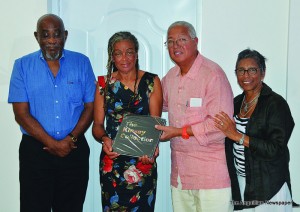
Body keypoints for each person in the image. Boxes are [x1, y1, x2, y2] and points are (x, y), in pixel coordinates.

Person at [8, 14, 96, 212]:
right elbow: (21, 114)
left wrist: (70, 139)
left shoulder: (82, 63)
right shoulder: (22, 66)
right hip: (36, 153)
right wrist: (53, 144)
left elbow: (91, 107)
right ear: (36, 36)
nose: (52, 41)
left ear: (65, 35)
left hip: (74, 150)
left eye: (56, 34)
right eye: (45, 35)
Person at [155, 21, 234, 212]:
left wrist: (178, 132)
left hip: (211, 177)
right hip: (180, 175)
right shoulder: (171, 77)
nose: (176, 46)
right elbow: (156, 103)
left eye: (182, 39)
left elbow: (220, 127)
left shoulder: (212, 74)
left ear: (195, 41)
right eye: (171, 42)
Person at [214, 49, 294, 211]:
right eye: (241, 70)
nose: (246, 75)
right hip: (243, 183)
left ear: (262, 73)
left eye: (252, 70)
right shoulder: (235, 103)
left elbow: (276, 149)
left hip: (269, 187)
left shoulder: (276, 104)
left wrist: (238, 136)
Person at [92, 31, 163, 211]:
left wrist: (153, 148)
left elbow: (157, 125)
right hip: (112, 160)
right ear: (112, 57)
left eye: (129, 52)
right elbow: (98, 126)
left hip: (142, 160)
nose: (125, 58)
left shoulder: (151, 81)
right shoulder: (103, 84)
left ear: (136, 54)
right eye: (118, 53)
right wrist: (104, 139)